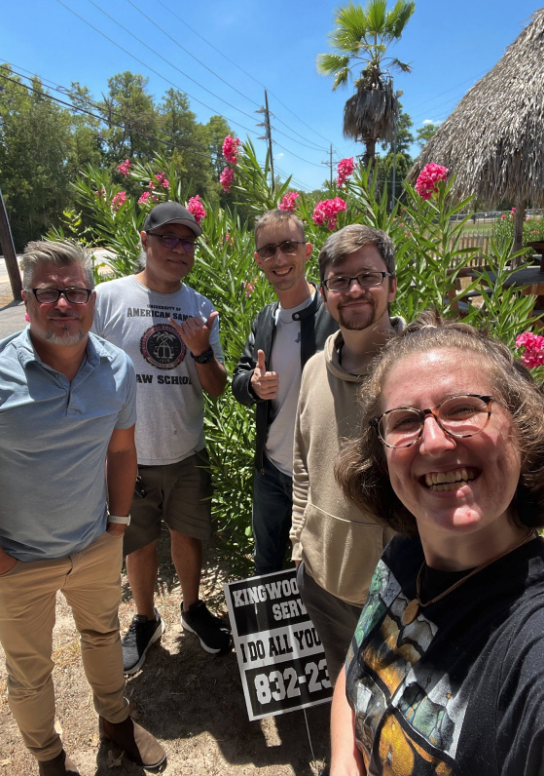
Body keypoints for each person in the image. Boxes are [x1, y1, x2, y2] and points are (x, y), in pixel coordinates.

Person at [0, 241, 166, 776]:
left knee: (102, 636)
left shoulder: (116, 369)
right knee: (30, 671)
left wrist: (117, 526)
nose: (63, 304)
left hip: (93, 544)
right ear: (27, 299)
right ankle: (49, 758)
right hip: (16, 559)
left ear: (91, 299)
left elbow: (122, 451)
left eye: (74, 291)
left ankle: (116, 722)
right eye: (49, 292)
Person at [331, 311, 544, 776]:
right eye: (405, 421)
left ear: (523, 427)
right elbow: (355, 671)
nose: (433, 441)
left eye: (464, 408)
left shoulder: (531, 649)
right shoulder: (404, 555)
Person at [93, 201, 231, 675]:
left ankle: (192, 609)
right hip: (125, 453)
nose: (178, 249)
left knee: (188, 535)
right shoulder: (107, 299)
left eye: (187, 240)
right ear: (144, 241)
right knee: (138, 541)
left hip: (186, 450)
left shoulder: (201, 307)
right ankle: (145, 619)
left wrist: (200, 352)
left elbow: (215, 388)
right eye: (168, 238)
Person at [290, 225, 403, 684]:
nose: (354, 290)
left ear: (392, 285)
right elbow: (302, 462)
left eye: (369, 277)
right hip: (322, 580)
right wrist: (300, 539)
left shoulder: (416, 372)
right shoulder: (315, 369)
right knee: (343, 686)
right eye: (339, 280)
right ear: (324, 293)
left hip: (398, 591)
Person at [232, 210, 338, 575]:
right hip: (271, 471)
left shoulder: (334, 315)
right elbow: (240, 379)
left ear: (307, 251)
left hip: (319, 475)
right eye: (269, 250)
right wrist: (253, 386)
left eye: (289, 246)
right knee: (266, 566)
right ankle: (268, 633)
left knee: (313, 571)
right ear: (258, 260)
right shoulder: (265, 318)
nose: (279, 258)